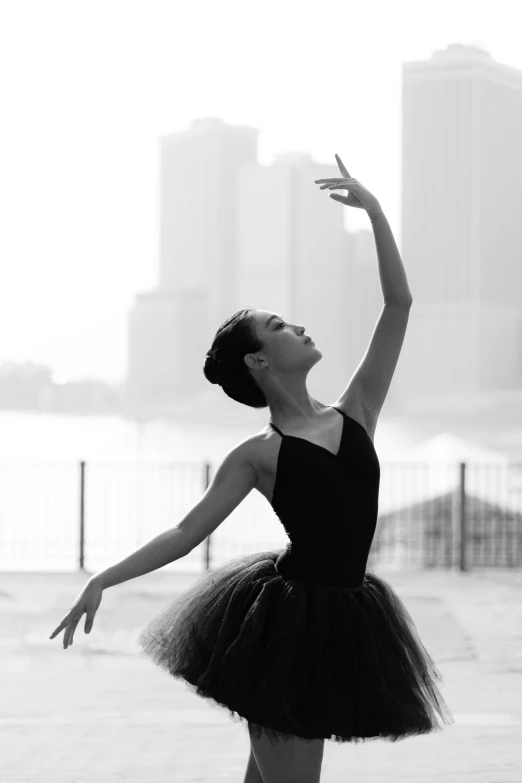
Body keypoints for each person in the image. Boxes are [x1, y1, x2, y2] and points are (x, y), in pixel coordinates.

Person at [50, 158, 454, 783]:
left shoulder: (357, 412)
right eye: (279, 326)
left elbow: (398, 304)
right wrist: (103, 577)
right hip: (288, 631)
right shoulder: (258, 455)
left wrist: (375, 213)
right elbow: (186, 533)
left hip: (345, 619)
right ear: (261, 361)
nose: (298, 326)